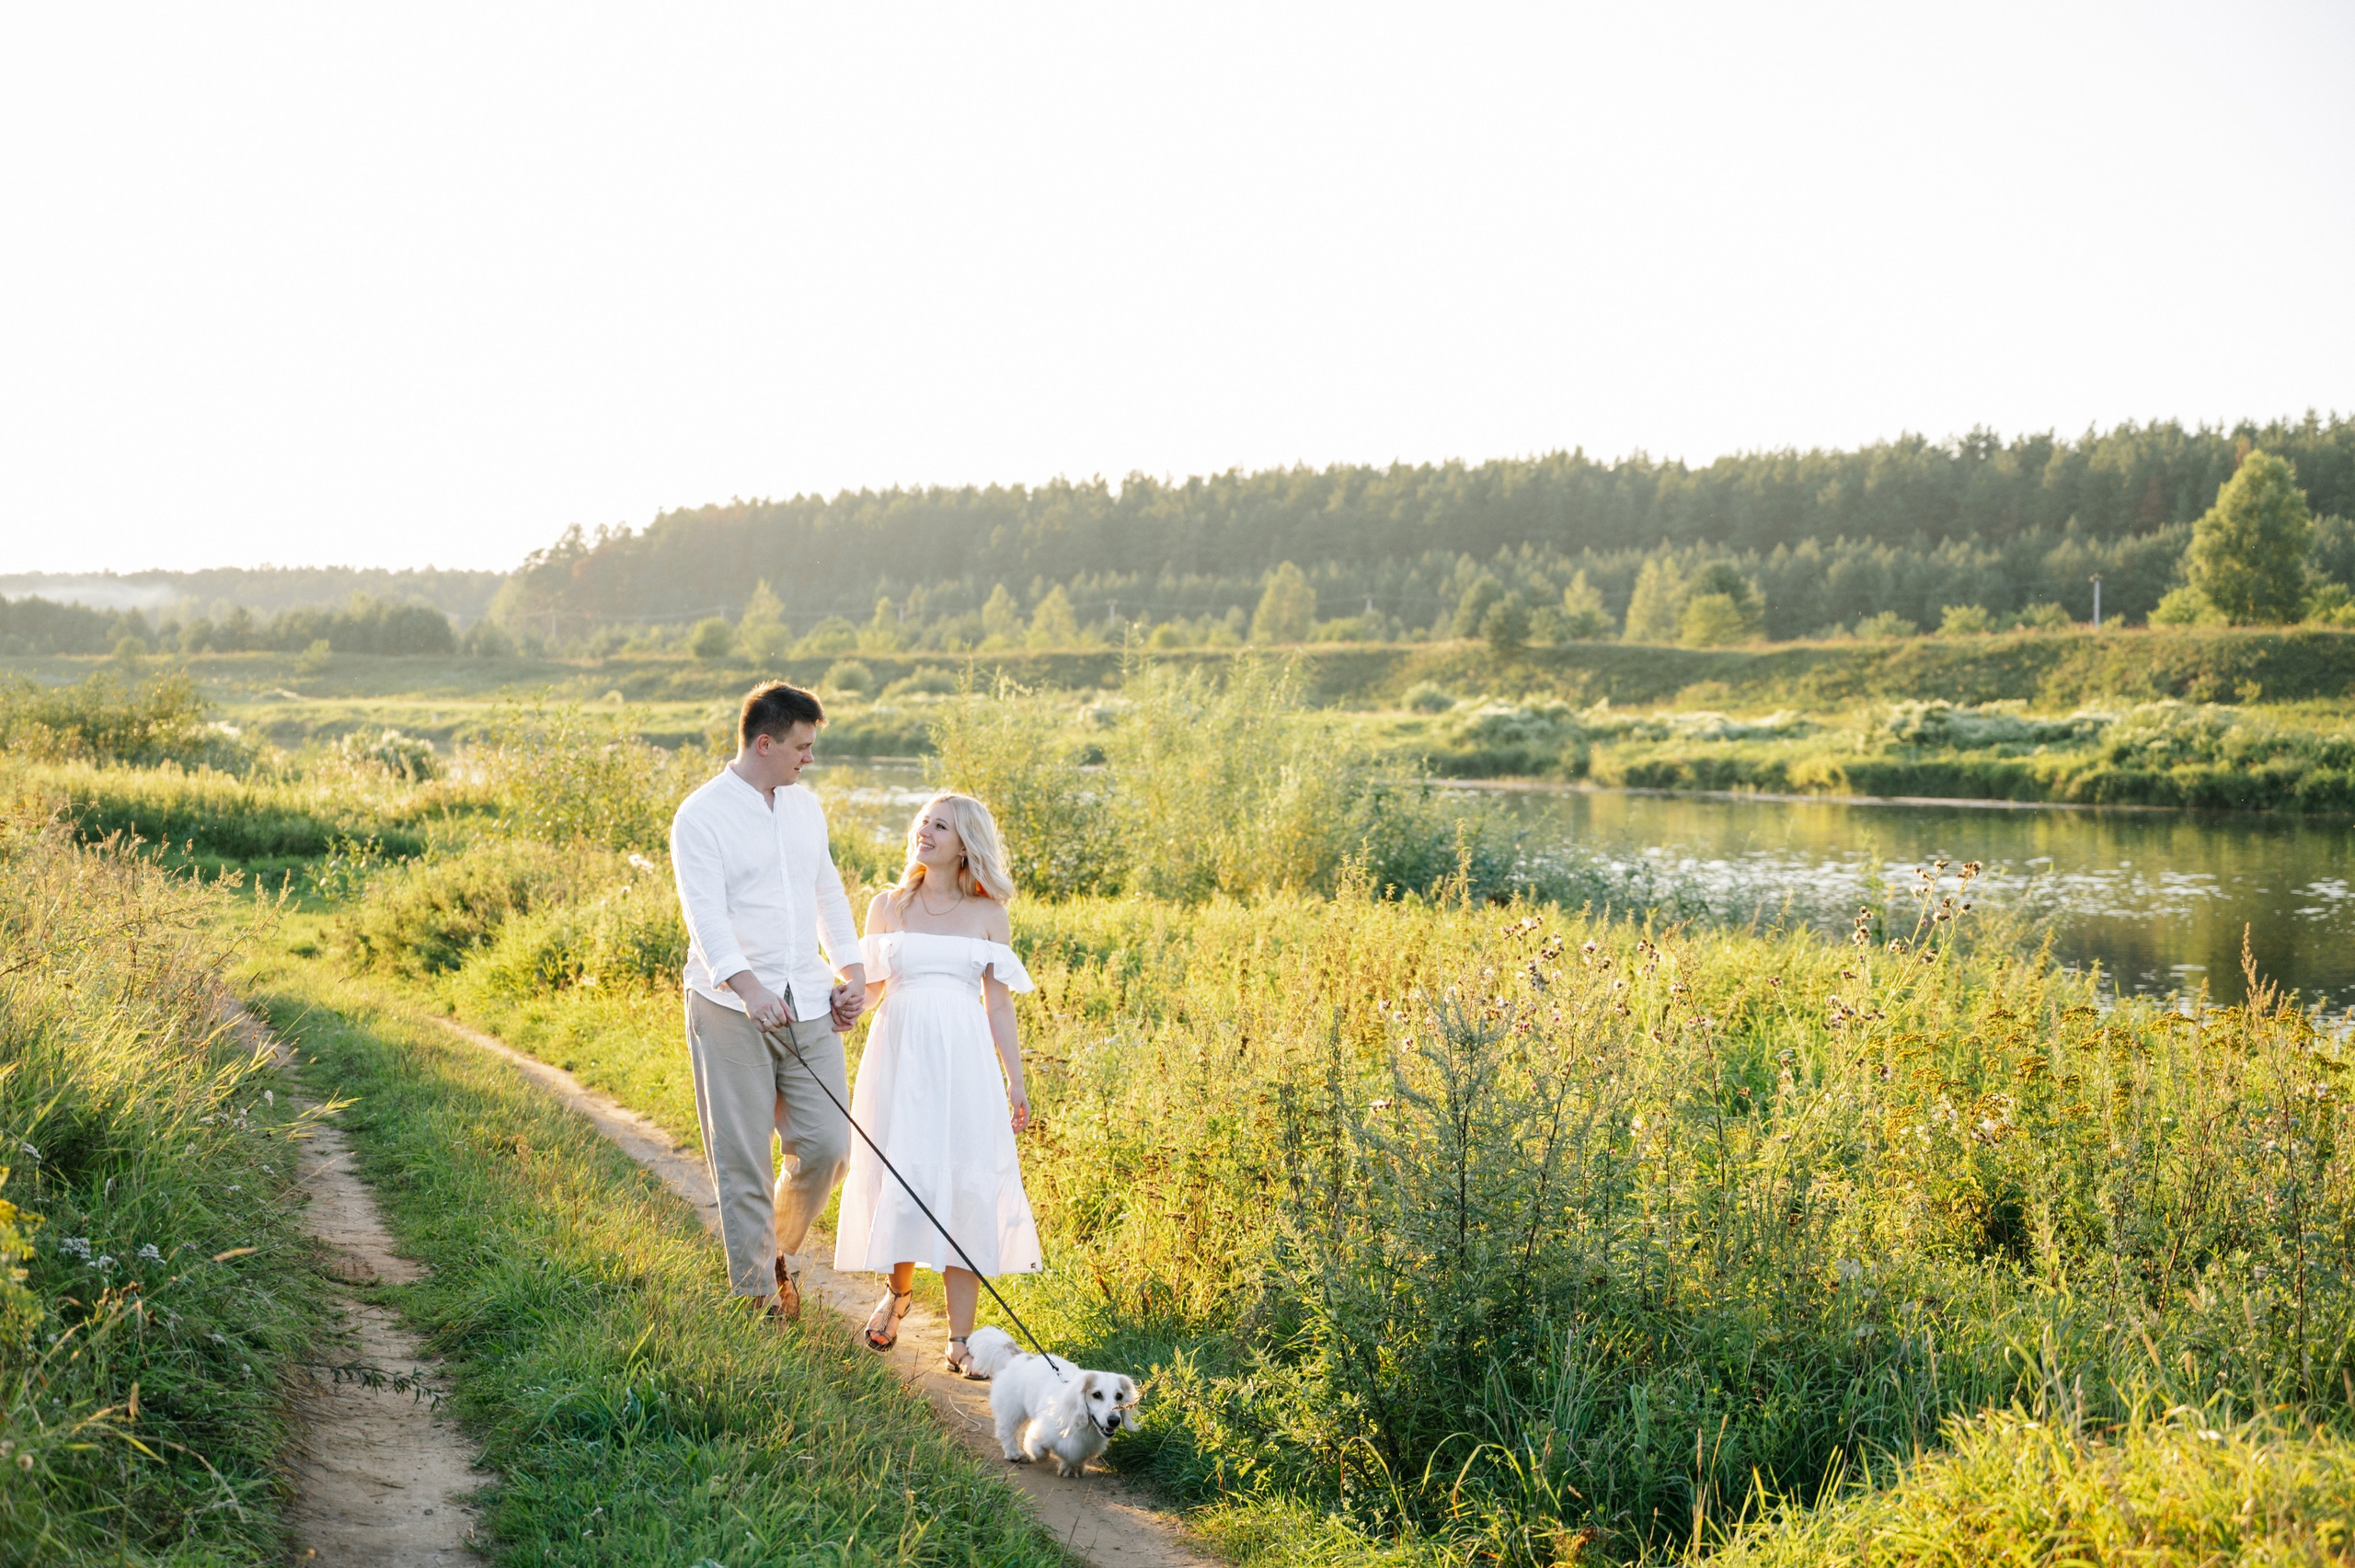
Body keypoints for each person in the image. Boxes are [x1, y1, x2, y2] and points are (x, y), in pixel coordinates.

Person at [670, 681, 867, 1321]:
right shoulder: (700, 815)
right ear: (765, 742)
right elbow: (705, 916)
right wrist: (748, 987)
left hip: (807, 998)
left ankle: (772, 1249)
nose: (807, 758)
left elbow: (828, 894)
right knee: (743, 1155)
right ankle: (756, 1298)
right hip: (730, 1005)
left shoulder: (806, 808)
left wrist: (850, 973)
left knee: (830, 1143)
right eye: (801, 747)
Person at [834, 792, 1041, 1375]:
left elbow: (998, 1005)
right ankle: (897, 1296)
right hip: (899, 1056)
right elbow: (871, 987)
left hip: (964, 1063)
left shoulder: (987, 914)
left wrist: (1015, 1080)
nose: (924, 832)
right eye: (923, 822)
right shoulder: (888, 906)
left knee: (965, 1182)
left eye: (940, 826)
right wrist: (844, 1000)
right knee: (903, 1169)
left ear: (965, 843)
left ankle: (961, 1340)